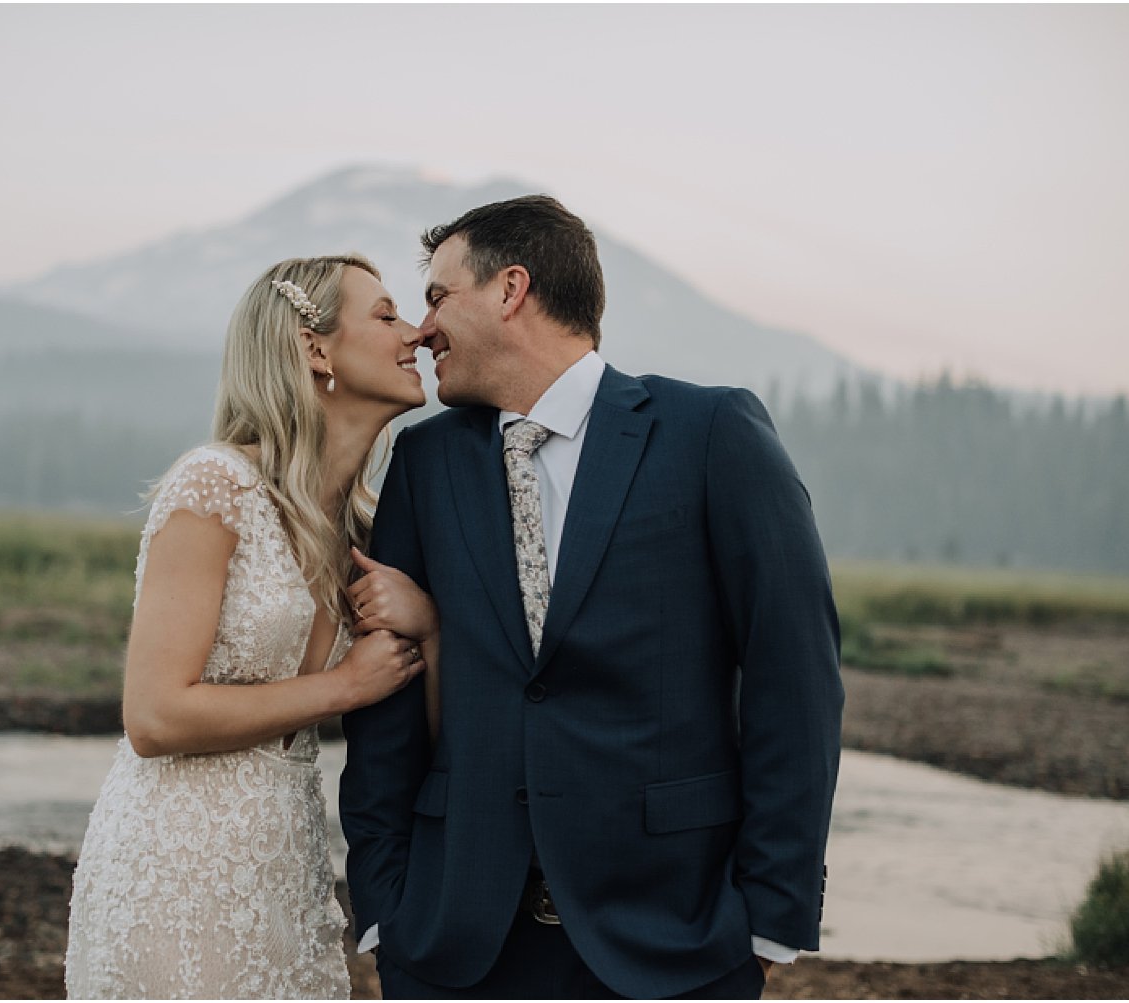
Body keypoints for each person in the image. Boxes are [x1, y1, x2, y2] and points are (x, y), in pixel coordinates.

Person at [339, 195, 845, 999]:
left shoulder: (710, 432)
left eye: (438, 297)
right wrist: (384, 910)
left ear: (511, 289)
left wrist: (767, 924)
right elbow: (388, 705)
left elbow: (797, 679)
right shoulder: (424, 461)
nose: (423, 329)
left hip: (674, 939)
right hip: (456, 945)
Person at [64, 254, 431, 999]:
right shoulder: (217, 485)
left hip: (287, 867)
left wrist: (427, 619)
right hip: (175, 863)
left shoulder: (362, 528)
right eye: (388, 315)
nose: (417, 333)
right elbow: (154, 716)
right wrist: (343, 687)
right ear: (315, 349)